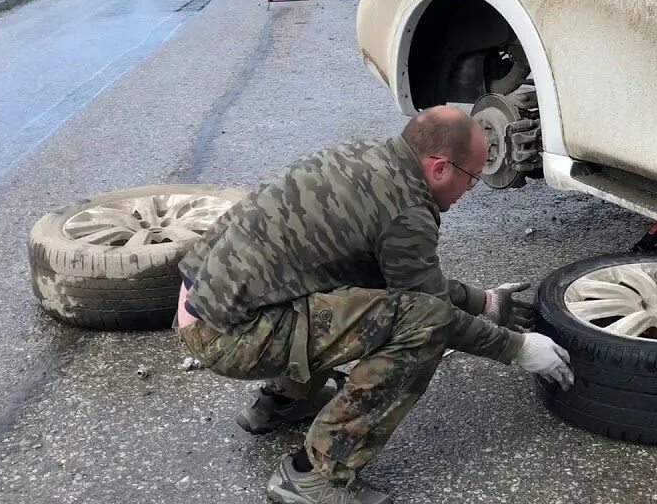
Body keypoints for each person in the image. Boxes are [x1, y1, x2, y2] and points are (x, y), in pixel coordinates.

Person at [174, 105, 574, 504]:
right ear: (439, 169)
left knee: (355, 296)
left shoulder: (367, 159)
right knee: (421, 328)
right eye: (471, 181)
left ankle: (288, 399)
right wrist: (518, 349)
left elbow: (395, 281)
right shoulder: (407, 210)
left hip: (207, 306)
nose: (468, 194)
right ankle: (312, 476)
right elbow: (428, 313)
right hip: (229, 336)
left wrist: (481, 302)